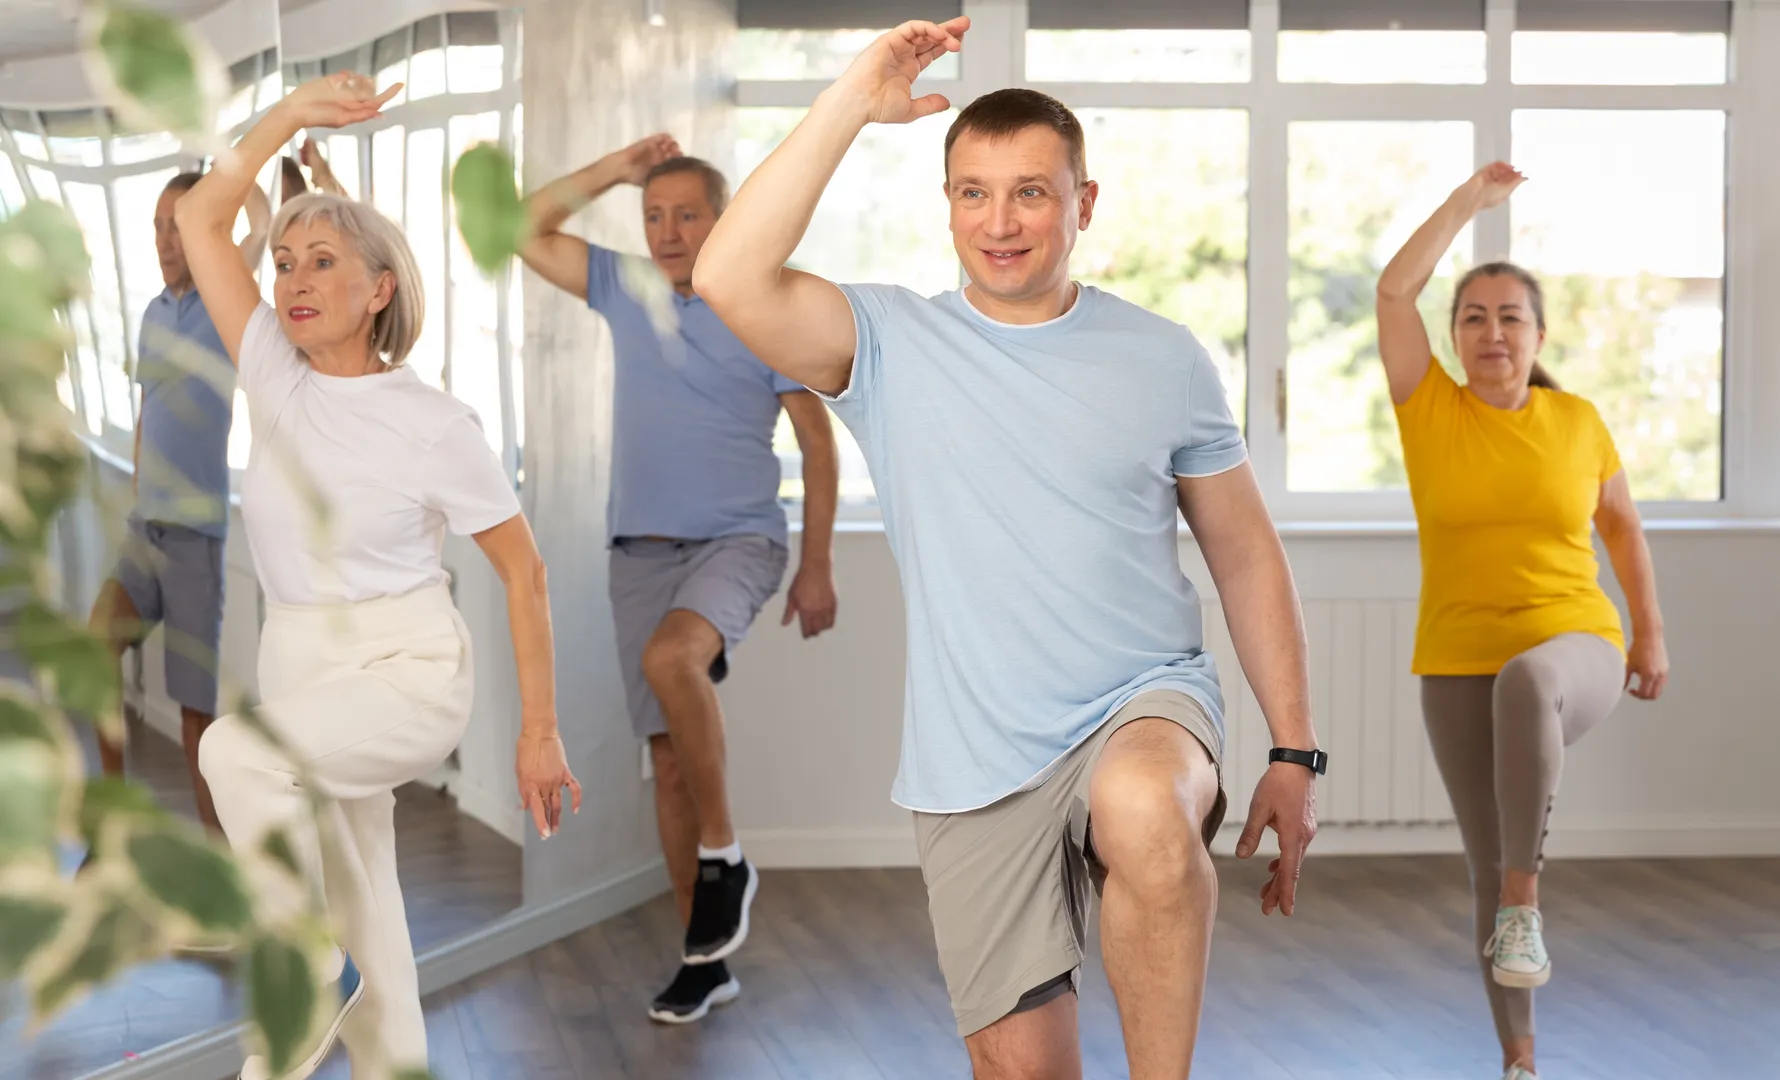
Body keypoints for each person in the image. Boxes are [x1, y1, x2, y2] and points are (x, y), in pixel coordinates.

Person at [695, 19, 1325, 1079]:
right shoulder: (890, 344)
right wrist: (853, 98)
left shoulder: (1163, 358)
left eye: (1031, 190)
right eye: (974, 192)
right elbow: (729, 275)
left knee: (1140, 809)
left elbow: (1245, 556)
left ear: (1082, 204)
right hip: (973, 755)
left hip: (1143, 698)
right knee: (1022, 1069)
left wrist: (1293, 752)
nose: (1001, 220)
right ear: (946, 206)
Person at [176, 71, 583, 1080]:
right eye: (281, 262)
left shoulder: (434, 423)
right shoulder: (272, 370)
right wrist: (290, 116)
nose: (292, 279)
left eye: (322, 260)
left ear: (379, 288)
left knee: (236, 755)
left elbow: (522, 573)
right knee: (363, 888)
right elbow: (200, 214)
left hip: (407, 664)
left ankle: (306, 972)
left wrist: (539, 731)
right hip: (300, 654)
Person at [519, 133, 841, 1024]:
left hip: (736, 540)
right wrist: (615, 168)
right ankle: (704, 954)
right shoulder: (626, 290)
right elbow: (522, 226)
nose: (665, 230)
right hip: (637, 551)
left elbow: (817, 442)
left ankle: (727, 855)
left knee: (673, 663)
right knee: (665, 763)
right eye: (652, 214)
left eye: (685, 213)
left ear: (723, 218)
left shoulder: (758, 306)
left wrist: (815, 564)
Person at [1376, 162, 1669, 1080]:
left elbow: (1621, 523)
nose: (1493, 330)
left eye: (1511, 317)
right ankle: (1521, 1059)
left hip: (1574, 643)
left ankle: (1525, 895)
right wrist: (1467, 204)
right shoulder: (1429, 411)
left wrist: (1650, 632)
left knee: (1529, 681)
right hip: (1456, 659)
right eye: (1474, 316)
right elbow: (1393, 288)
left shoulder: (1577, 420)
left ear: (1538, 335)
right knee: (1483, 869)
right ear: (1454, 338)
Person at [89, 171, 267, 836]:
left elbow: (264, 219)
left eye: (178, 224)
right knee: (93, 652)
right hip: (147, 532)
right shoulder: (151, 314)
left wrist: (230, 166)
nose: (165, 239)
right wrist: (140, 480)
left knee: (197, 720)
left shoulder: (222, 300)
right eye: (159, 226)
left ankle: (219, 862)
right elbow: (148, 409)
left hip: (196, 541)